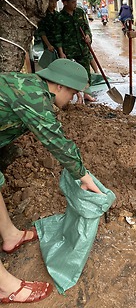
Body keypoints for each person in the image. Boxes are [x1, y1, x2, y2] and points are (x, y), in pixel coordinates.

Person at [0, 59, 104, 303]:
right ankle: (4, 286)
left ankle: (10, 235)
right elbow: (56, 141)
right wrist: (83, 175)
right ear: (58, 86)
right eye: (73, 93)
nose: (73, 99)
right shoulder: (34, 97)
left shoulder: (28, 84)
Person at [55, 0, 97, 101]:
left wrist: (88, 37)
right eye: (72, 2)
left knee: (85, 72)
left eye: (75, 1)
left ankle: (87, 93)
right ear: (65, 2)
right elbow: (58, 36)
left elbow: (86, 28)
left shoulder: (80, 12)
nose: (75, 4)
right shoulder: (60, 17)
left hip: (82, 48)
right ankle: (78, 95)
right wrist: (61, 52)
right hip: (68, 50)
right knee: (71, 73)